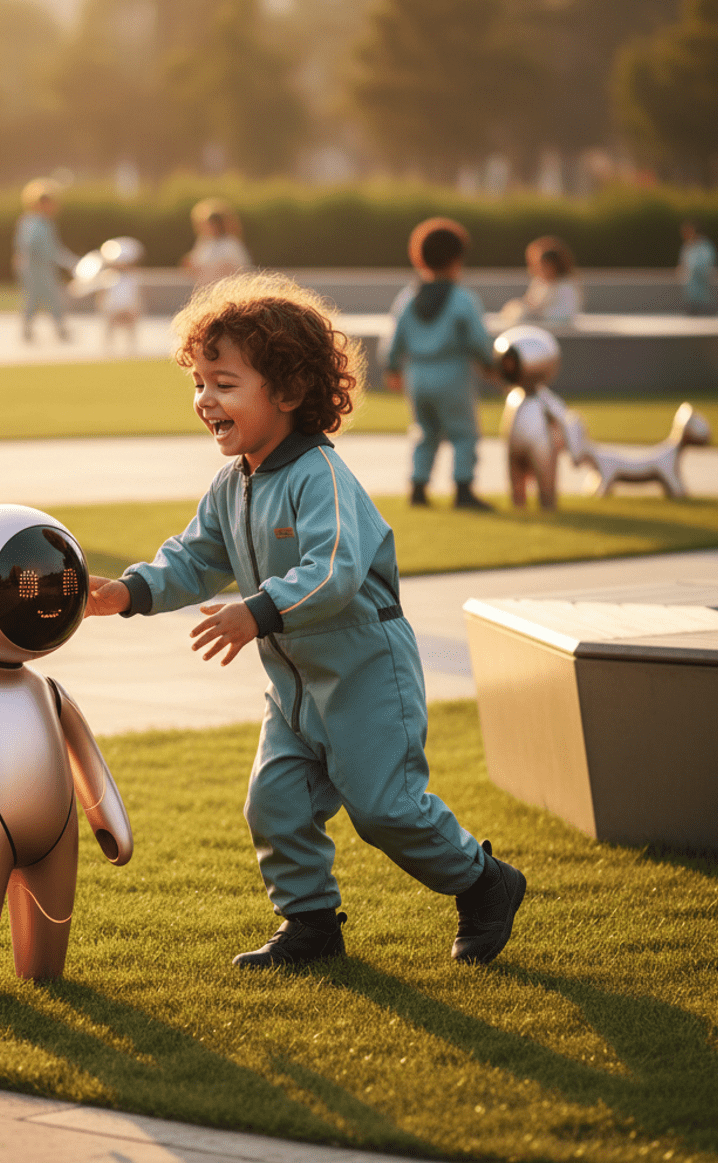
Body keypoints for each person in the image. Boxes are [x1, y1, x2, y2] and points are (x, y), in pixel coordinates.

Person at [85, 272, 527, 971]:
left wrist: (256, 612)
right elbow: (196, 557)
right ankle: (312, 927)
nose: (205, 400)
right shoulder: (234, 483)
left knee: (386, 810)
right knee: (275, 805)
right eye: (198, 382)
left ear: (287, 393)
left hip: (364, 674)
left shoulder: (318, 475)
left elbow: (332, 571)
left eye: (224, 384)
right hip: (293, 687)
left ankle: (483, 881)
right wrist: (129, 592)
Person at [383, 218, 495, 510]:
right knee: (463, 433)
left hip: (417, 373)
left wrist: (392, 367)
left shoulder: (408, 297)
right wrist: (489, 364)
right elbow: (478, 339)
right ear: (457, 259)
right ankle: (463, 489)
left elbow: (394, 338)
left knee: (424, 431)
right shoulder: (461, 299)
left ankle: (418, 487)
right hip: (452, 372)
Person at [13, 179, 80, 343]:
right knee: (38, 299)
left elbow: (55, 248)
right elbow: (33, 247)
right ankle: (47, 330)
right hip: (34, 269)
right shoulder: (30, 223)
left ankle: (55, 329)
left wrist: (71, 261)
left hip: (45, 268)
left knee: (47, 299)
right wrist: (64, 261)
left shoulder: (47, 223)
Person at [500, 236, 582, 325]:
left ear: (553, 265)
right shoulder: (539, 283)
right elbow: (527, 304)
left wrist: (538, 313)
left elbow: (565, 315)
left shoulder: (566, 287)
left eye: (541, 265)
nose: (536, 268)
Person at [182, 199, 251, 288]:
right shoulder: (204, 243)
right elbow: (193, 267)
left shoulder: (231, 244)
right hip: (206, 290)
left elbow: (238, 271)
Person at [679, 222, 717, 315]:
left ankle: (704, 308)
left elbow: (709, 259)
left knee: (702, 292)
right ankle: (694, 308)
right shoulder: (688, 246)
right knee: (692, 291)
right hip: (691, 275)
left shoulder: (704, 245)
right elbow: (684, 260)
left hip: (703, 273)